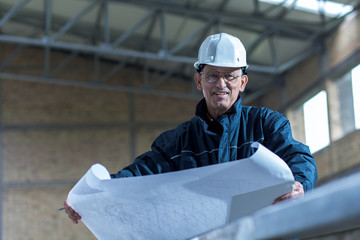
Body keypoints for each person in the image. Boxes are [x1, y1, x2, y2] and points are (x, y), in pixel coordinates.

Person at [64, 32, 318, 224]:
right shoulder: (176, 144)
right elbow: (138, 176)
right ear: (199, 81)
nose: (221, 84)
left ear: (242, 82)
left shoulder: (266, 125)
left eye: (230, 76)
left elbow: (299, 156)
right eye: (212, 75)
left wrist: (299, 184)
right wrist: (92, 195)